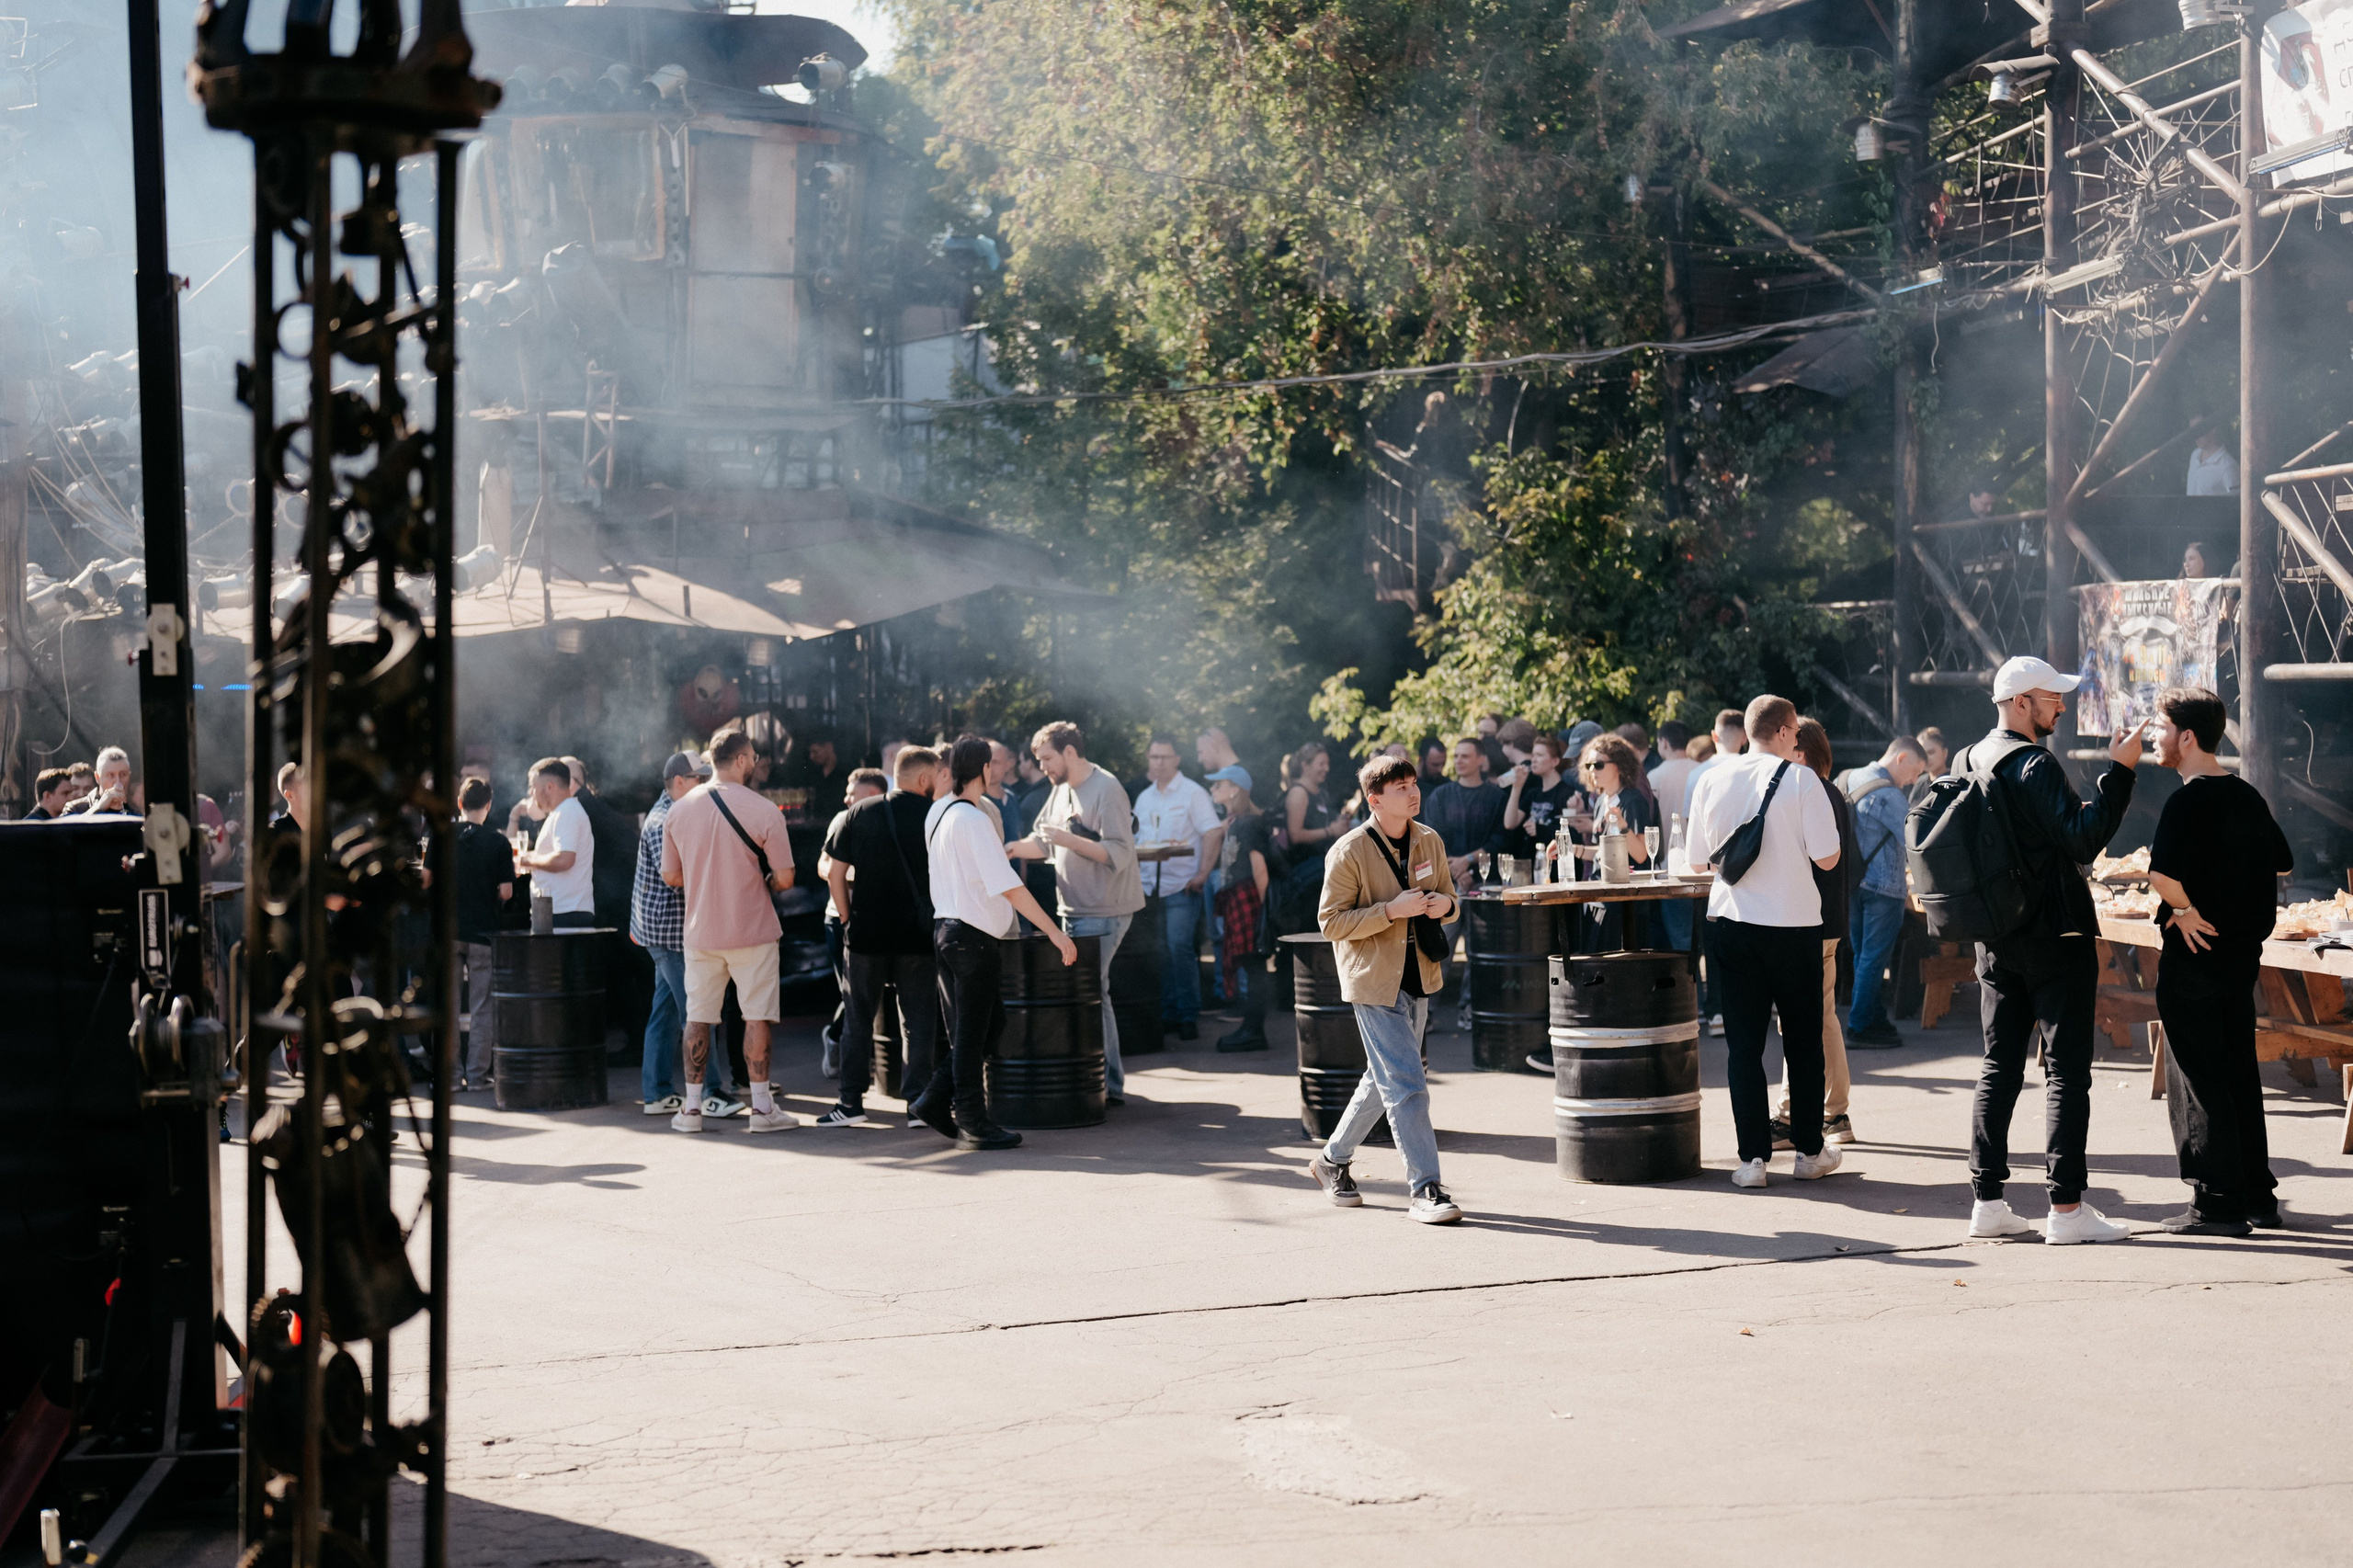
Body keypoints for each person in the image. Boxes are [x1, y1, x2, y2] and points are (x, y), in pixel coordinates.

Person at [1960, 654, 2140, 1244]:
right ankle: (2065, 1209)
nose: (2060, 705)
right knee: (2066, 1073)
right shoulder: (2032, 763)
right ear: (2018, 703)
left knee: (1999, 1067)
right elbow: (2084, 837)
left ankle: (1987, 1203)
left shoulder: (1968, 759)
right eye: (2051, 697)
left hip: (1996, 936)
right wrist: (2120, 773)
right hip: (2054, 935)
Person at [1684, 694, 1844, 1188]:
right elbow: (1829, 858)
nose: (1798, 737)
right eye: (1795, 730)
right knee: (1802, 1041)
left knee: (1743, 1046)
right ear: (1783, 729)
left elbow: (1696, 861)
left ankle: (1752, 1159)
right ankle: (1809, 1152)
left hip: (1730, 921)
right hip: (1793, 924)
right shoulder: (1802, 780)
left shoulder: (1711, 776)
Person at [2147, 687, 2291, 1236]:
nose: (2153, 738)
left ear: (2186, 737)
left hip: (2194, 960)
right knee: (2237, 1073)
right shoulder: (2246, 795)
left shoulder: (2187, 800)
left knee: (2199, 1080)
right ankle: (2257, 1193)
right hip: (2240, 959)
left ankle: (2218, 1204)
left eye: (2159, 729)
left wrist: (2183, 908)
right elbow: (2282, 861)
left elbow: (2161, 874)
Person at [1311, 753, 1463, 1224]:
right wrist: (1390, 912)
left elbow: (1451, 900)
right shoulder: (1349, 850)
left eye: (1414, 783)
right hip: (1374, 982)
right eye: (1401, 788)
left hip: (1419, 975)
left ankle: (1331, 1160)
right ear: (1374, 799)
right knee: (1408, 1082)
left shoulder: (1429, 840)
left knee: (1386, 1079)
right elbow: (1330, 922)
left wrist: (1444, 905)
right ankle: (1426, 1188)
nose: (1414, 792)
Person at [922, 734, 1077, 1149]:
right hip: (972, 937)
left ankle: (936, 1099)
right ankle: (972, 1120)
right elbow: (1010, 886)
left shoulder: (937, 812)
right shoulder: (973, 820)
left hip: (947, 931)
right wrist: (1054, 931)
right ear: (986, 770)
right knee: (975, 1035)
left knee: (984, 1028)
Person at [661, 730, 799, 1134]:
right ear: (741, 760)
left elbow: (671, 875)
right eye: (753, 756)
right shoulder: (765, 810)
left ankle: (690, 1110)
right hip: (753, 930)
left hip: (701, 932)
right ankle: (761, 1109)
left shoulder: (679, 811)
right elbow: (787, 879)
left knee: (698, 1018)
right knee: (756, 1016)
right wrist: (765, 880)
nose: (755, 762)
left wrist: (706, 876)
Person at [1008, 722, 1143, 1105]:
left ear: (1070, 752)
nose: (1042, 767)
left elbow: (1119, 852)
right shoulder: (1060, 789)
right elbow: (1042, 840)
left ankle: (1109, 1084)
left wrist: (1070, 840)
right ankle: (1104, 1080)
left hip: (1105, 910)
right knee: (1092, 994)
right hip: (1073, 909)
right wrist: (1011, 849)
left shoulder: (1108, 788)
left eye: (1047, 758)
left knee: (1092, 994)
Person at [818, 745, 944, 1127]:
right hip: (918, 936)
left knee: (859, 1018)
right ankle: (918, 1103)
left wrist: (845, 918)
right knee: (918, 1021)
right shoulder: (936, 816)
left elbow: (835, 874)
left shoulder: (858, 812)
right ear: (923, 779)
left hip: (867, 933)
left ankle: (850, 1104)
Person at [634, 751, 744, 1116]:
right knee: (697, 1012)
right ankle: (712, 1091)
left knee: (666, 1011)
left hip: (662, 931)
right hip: (669, 933)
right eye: (700, 779)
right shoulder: (665, 820)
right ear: (679, 782)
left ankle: (658, 1093)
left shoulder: (671, 814)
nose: (705, 785)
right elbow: (676, 877)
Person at [1770, 719, 1860, 1149]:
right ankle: (1825, 1113)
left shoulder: (1809, 791)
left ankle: (1821, 1114)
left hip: (1812, 922)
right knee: (1814, 1019)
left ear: (1800, 753)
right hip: (1824, 920)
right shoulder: (1830, 793)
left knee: (1811, 1021)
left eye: (1784, 744)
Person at [1133, 737, 1223, 1041]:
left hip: (1182, 886)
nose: (1158, 762)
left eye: (1164, 756)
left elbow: (1213, 832)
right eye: (1154, 756)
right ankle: (1169, 1014)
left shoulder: (1192, 793)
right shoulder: (1144, 798)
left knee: (1179, 947)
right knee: (1161, 952)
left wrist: (1202, 873)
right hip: (1150, 888)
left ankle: (1188, 1015)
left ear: (1177, 760)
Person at [1840, 735, 1927, 1047]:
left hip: (1853, 882)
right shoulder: (1890, 795)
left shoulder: (1849, 777)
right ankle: (1860, 1027)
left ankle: (1874, 1017)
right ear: (1901, 758)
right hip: (1884, 888)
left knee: (1863, 956)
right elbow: (1914, 842)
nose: (1914, 780)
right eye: (1915, 771)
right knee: (1874, 959)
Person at [817, 767, 888, 1079]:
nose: (846, 798)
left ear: (872, 793)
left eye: (851, 791)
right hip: (840, 918)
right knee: (854, 993)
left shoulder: (891, 818)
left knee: (869, 992)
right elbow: (824, 864)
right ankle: (840, 1046)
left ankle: (849, 1049)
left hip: (879, 917)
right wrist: (852, 876)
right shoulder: (842, 819)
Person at [1206, 766, 1279, 1051]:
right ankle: (1251, 1028)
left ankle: (1253, 1030)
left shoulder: (1247, 824)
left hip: (1249, 898)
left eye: (1218, 785)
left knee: (1254, 965)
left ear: (1234, 789)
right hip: (1241, 898)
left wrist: (1264, 912)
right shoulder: (1239, 821)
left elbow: (1259, 867)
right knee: (1253, 965)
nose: (1213, 790)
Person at [455, 778, 515, 1092]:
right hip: (482, 931)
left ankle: (450, 1078)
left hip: (448, 930)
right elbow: (506, 892)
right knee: (481, 1006)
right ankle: (477, 1077)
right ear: (489, 806)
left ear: (459, 803)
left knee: (447, 1006)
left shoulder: (442, 836)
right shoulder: (498, 842)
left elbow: (426, 878)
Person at [514, 758, 596, 928]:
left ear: (549, 787)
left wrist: (526, 861)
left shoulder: (567, 812)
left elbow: (565, 859)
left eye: (533, 787)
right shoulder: (562, 812)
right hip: (560, 912)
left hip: (565, 914)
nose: (531, 793)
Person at [1421, 737, 1505, 885]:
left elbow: (1500, 841)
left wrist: (1467, 860)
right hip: (1448, 882)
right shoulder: (1440, 796)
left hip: (1489, 882)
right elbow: (1434, 839)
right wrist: (1458, 872)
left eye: (1465, 756)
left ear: (1481, 759)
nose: (1458, 761)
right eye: (1456, 756)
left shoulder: (1497, 797)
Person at [1499, 732, 1576, 869]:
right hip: (1533, 866)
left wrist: (1540, 830)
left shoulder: (1567, 794)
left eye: (1539, 755)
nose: (1533, 759)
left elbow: (1573, 833)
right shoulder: (1533, 794)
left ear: (1555, 761)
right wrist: (1517, 786)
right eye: (1533, 755)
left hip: (1556, 868)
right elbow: (1509, 823)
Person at [1279, 742, 1346, 858]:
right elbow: (1295, 835)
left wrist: (1340, 823)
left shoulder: (1321, 793)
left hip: (1324, 859)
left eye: (1327, 764)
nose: (1326, 768)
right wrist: (1330, 831)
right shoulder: (1298, 793)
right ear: (1305, 765)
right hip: (1306, 866)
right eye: (1321, 764)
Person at [63, 745, 137, 816]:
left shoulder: (136, 812)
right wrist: (99, 808)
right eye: (110, 775)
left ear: (129, 776)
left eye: (123, 774)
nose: (118, 782)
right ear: (97, 778)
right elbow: (65, 829)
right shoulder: (74, 809)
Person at [2186, 427, 2238, 496]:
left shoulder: (2228, 466)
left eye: (2199, 429)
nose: (2196, 435)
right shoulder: (2195, 455)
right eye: (2193, 430)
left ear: (2213, 429)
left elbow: (2236, 502)